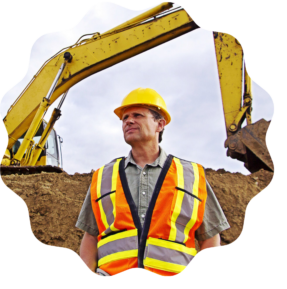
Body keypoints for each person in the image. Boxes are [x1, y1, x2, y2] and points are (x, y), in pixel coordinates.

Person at [76, 87, 230, 277]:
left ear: (160, 124)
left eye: (138, 115)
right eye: (125, 118)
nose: (129, 121)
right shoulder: (103, 177)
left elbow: (210, 235)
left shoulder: (191, 175)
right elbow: (90, 236)